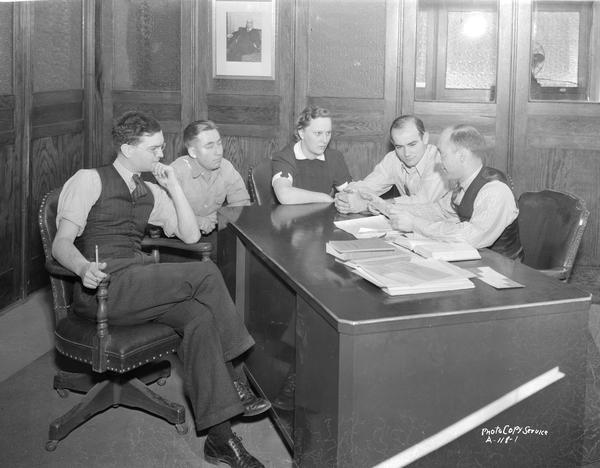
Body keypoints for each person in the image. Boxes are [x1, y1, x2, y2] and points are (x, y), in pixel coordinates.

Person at [52, 111, 269, 468]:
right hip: (103, 290)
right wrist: (82, 267)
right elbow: (62, 243)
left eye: (162, 148)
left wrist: (173, 188)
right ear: (126, 148)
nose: (161, 156)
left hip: (138, 285)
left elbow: (190, 234)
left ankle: (220, 440)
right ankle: (237, 376)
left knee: (199, 317)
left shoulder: (150, 190)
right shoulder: (89, 180)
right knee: (207, 273)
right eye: (153, 149)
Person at [371, 124, 521, 258]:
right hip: (475, 261)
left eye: (442, 154)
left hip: (500, 271)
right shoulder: (464, 184)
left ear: (462, 156)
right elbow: (438, 210)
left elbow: (469, 237)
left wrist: (415, 224)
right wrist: (389, 208)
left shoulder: (494, 191)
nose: (438, 161)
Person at [335, 115, 447, 214]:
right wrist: (347, 195)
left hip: (445, 225)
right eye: (399, 147)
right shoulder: (393, 158)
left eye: (412, 144)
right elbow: (369, 185)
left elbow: (423, 201)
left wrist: (370, 205)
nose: (406, 153)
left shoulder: (439, 160)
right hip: (410, 222)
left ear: (425, 138)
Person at [171, 120, 250, 236]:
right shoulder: (176, 172)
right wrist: (199, 221)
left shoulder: (225, 167)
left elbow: (241, 204)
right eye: (209, 146)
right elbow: (166, 212)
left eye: (219, 143)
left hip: (214, 233)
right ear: (193, 152)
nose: (218, 152)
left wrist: (214, 218)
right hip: (178, 240)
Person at [271, 106, 352, 205]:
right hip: (292, 218)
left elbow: (351, 193)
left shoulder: (334, 157)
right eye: (318, 133)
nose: (325, 140)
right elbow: (284, 195)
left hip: (322, 218)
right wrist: (324, 198)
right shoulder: (285, 157)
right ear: (301, 133)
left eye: (328, 133)